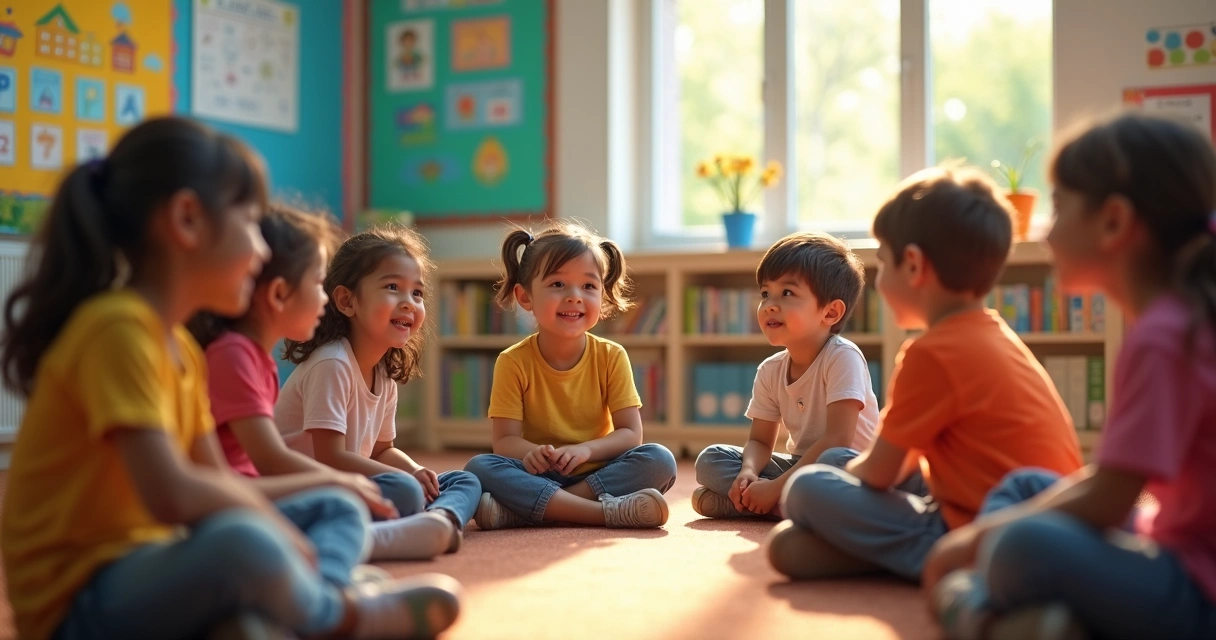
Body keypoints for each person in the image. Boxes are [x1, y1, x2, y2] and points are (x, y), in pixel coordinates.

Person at [0, 116, 459, 640]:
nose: (262, 252)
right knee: (244, 539)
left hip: (154, 560)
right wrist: (272, 523)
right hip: (79, 601)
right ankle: (337, 617)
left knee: (334, 503)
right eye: (249, 221)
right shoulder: (116, 329)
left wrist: (333, 486)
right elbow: (171, 494)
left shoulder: (184, 352)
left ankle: (294, 602)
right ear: (188, 220)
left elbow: (214, 477)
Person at [926, 114, 1216, 640]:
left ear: (1113, 221)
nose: (1044, 230)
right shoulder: (1179, 319)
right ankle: (1037, 617)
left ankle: (978, 610)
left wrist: (975, 540)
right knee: (1025, 487)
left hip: (1198, 590)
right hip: (1173, 538)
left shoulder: (1163, 337)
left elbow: (1109, 498)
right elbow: (1116, 478)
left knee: (1020, 544)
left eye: (1058, 206)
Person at [464, 222, 678, 529]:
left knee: (660, 459)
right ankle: (599, 513)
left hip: (596, 472)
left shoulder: (611, 356)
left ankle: (532, 511)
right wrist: (532, 453)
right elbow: (505, 442)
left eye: (589, 286)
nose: (575, 297)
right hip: (537, 473)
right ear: (525, 297)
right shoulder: (512, 361)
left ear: (602, 296)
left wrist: (586, 450)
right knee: (479, 467)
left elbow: (631, 434)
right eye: (557, 284)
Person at [692, 232, 880, 519]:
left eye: (787, 293)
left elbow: (838, 441)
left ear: (830, 312)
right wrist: (749, 472)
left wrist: (776, 487)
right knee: (711, 459)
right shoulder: (770, 370)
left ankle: (769, 503)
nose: (769, 304)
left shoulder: (843, 357)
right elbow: (760, 442)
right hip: (799, 466)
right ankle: (781, 504)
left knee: (833, 461)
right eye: (765, 293)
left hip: (847, 470)